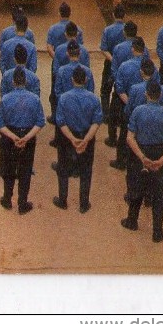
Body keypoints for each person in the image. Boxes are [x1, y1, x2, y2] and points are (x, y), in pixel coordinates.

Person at [121, 80, 163, 243]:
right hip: (160, 151)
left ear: (146, 94)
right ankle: (157, 231)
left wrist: (142, 157)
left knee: (136, 189)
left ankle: (132, 221)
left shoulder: (138, 111)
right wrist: (162, 160)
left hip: (140, 153)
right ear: (160, 95)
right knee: (159, 194)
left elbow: (130, 137)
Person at [0, 67, 46, 214]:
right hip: (28, 136)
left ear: (13, 81)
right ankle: (22, 203)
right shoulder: (35, 99)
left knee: (9, 169)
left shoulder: (5, 99)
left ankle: (7, 199)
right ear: (26, 81)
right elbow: (40, 122)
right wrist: (26, 138)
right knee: (25, 170)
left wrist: (14, 137)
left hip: (10, 137)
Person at [52, 66, 103, 214]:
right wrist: (86, 139)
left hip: (67, 137)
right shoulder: (94, 99)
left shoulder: (64, 98)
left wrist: (72, 139)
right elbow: (97, 122)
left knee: (63, 167)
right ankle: (83, 204)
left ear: (72, 79)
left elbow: (60, 122)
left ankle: (63, 200)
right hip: (87, 135)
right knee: (86, 170)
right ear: (86, 80)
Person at [110, 37, 156, 171]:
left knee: (125, 133)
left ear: (133, 49)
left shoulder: (124, 66)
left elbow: (119, 88)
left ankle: (121, 161)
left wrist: (131, 105)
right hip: (149, 108)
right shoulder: (153, 68)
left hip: (130, 105)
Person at [107, 21, 149, 149]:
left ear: (124, 32)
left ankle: (112, 138)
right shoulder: (145, 51)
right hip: (141, 95)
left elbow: (114, 70)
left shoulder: (119, 48)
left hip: (122, 93)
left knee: (114, 115)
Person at [46, 2, 84, 124]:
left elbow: (49, 47)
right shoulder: (78, 29)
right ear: (70, 13)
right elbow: (80, 47)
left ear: (59, 13)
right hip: (76, 64)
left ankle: (55, 116)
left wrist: (57, 57)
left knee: (56, 90)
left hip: (58, 63)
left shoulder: (52, 28)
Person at [99, 4, 127, 130]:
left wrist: (113, 60)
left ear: (113, 15)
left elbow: (104, 49)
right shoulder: (128, 30)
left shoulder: (107, 30)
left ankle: (105, 115)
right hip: (125, 65)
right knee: (122, 91)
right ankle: (120, 116)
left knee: (105, 90)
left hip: (110, 64)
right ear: (124, 15)